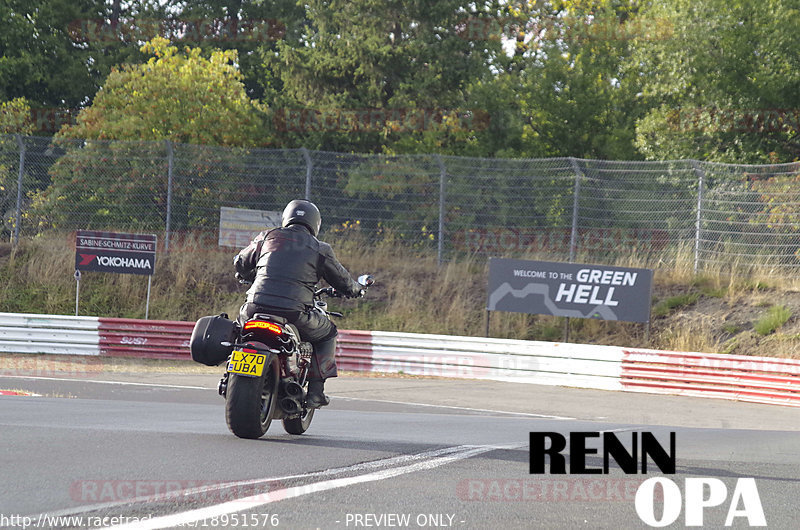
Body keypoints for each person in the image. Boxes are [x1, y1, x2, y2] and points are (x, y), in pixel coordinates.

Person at [233, 199, 364, 408]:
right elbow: (344, 281)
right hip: (294, 313)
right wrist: (356, 289)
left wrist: (245, 274)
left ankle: (232, 365)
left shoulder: (267, 237)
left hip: (254, 307)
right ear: (315, 224)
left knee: (238, 329)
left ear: (286, 218)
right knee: (328, 333)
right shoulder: (320, 248)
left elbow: (240, 262)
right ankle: (316, 393)